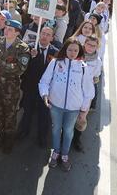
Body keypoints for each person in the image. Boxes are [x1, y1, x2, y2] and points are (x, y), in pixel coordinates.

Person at [39, 38, 94, 172]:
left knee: (68, 131)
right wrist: (45, 95)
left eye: (75, 50)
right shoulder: (55, 62)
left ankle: (64, 154)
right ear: (65, 49)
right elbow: (44, 81)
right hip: (55, 105)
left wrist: (84, 110)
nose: (72, 52)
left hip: (73, 108)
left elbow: (89, 91)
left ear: (79, 51)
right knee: (56, 129)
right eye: (70, 49)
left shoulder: (83, 67)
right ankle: (56, 151)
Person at [0, 19, 30, 153]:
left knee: (10, 114)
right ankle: (1, 134)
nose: (6, 30)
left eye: (10, 29)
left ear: (17, 33)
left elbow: (20, 69)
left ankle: (9, 139)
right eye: (6, 28)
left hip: (10, 88)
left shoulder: (22, 47)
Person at [18, 26, 58, 148]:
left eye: (48, 34)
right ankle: (23, 132)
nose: (44, 36)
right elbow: (23, 67)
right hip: (30, 87)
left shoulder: (55, 52)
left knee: (43, 114)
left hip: (45, 90)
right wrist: (32, 57)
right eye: (43, 33)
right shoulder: (29, 48)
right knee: (27, 111)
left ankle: (42, 137)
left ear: (52, 38)